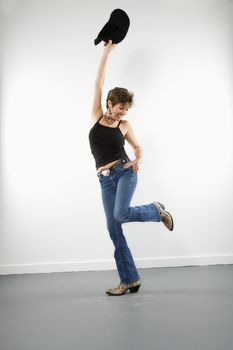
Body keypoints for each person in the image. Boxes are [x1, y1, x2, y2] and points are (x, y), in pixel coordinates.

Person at [88, 40, 174, 296]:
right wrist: (106, 53)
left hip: (125, 172)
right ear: (110, 104)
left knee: (120, 214)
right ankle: (129, 280)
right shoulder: (96, 116)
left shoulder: (125, 125)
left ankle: (155, 210)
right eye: (120, 107)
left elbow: (138, 148)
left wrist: (138, 158)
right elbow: (98, 84)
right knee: (114, 229)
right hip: (104, 179)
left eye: (127, 109)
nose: (124, 112)